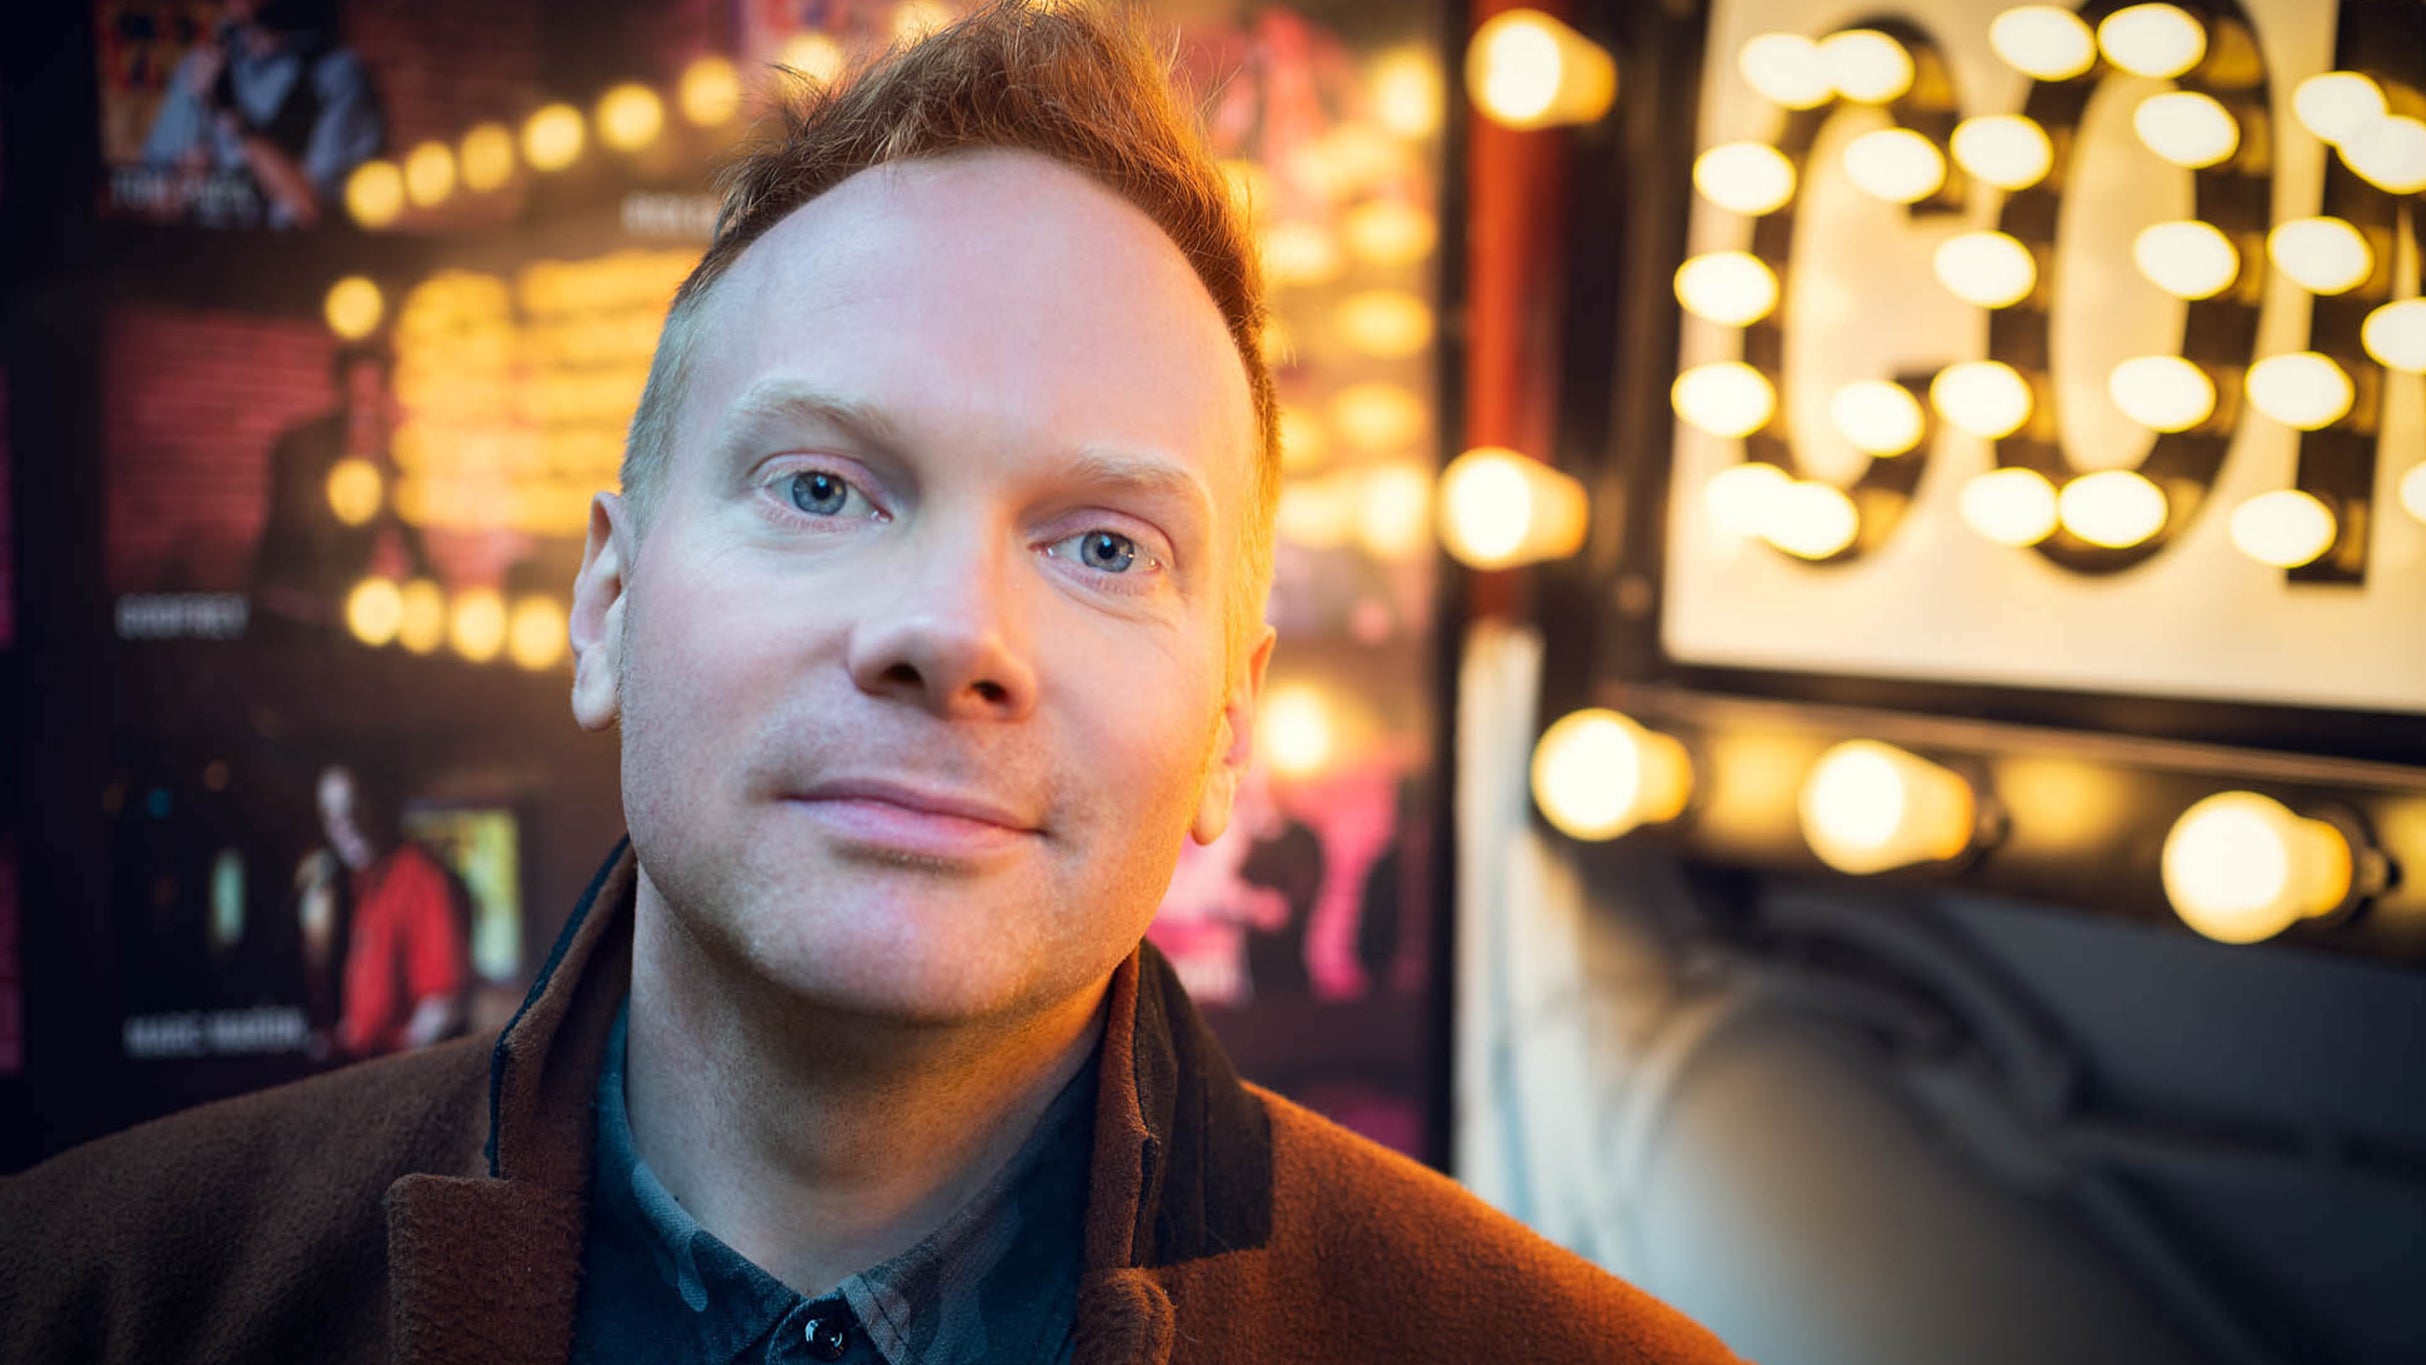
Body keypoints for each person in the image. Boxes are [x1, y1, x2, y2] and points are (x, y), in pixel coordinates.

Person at [1, 6, 1742, 1362]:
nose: (952, 632)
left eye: (1106, 545)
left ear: (1230, 725)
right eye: (823, 489)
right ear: (606, 602)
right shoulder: (80, 1299)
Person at [138, 0, 382, 228]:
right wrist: (187, 182)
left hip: (282, 251)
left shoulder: (335, 73)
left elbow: (310, 210)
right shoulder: (201, 64)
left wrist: (230, 113)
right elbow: (149, 204)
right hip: (198, 248)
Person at [314, 764, 472, 1058]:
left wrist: (391, 1075)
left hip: (398, 1076)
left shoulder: (421, 878)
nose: (345, 825)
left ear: (379, 804)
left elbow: (443, 1006)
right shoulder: (366, 885)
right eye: (331, 816)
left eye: (355, 808)